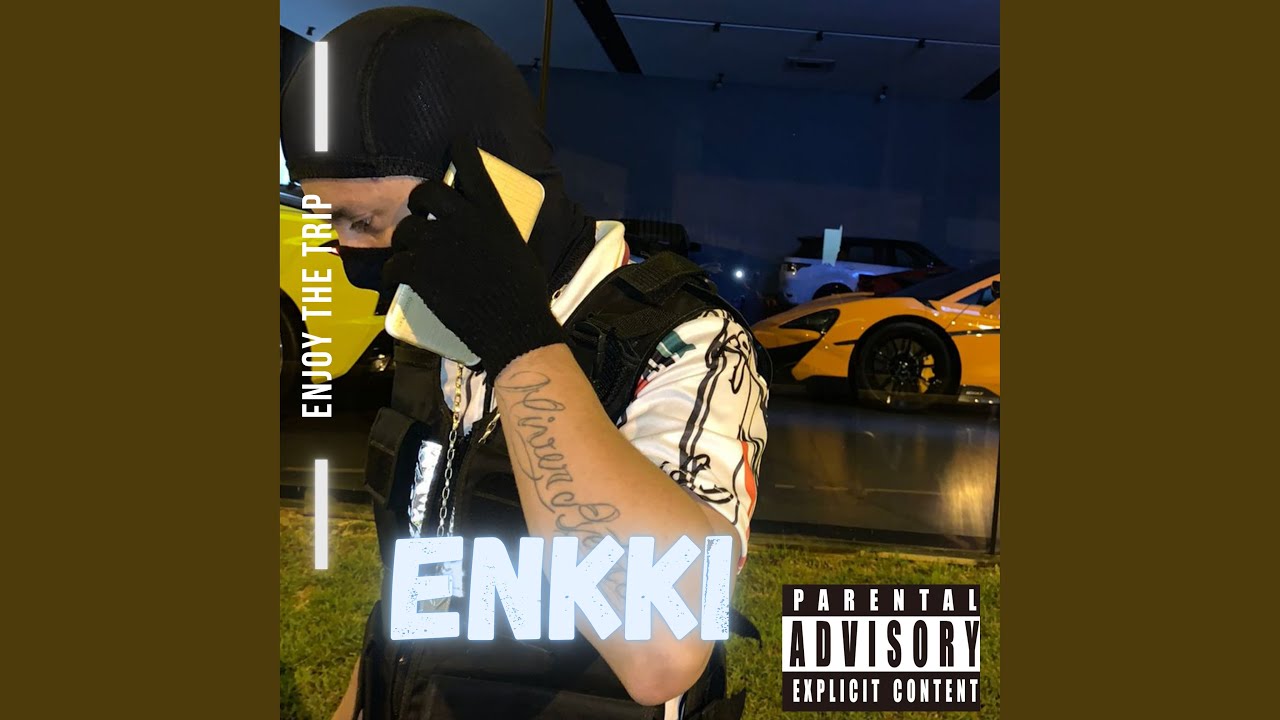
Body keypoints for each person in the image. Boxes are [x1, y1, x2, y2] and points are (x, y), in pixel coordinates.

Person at [280, 8, 769, 720]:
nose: (346, 250)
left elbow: (663, 651)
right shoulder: (432, 336)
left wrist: (519, 344)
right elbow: (414, 587)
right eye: (329, 219)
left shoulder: (687, 340)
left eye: (365, 221)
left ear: (488, 191)